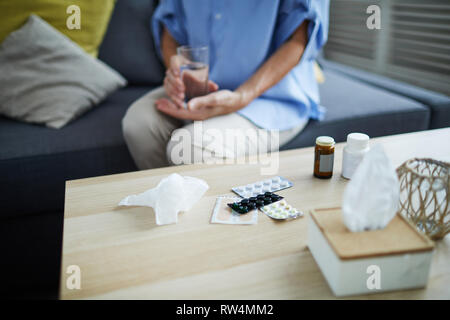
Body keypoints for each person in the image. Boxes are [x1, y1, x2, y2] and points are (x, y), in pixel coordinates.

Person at [122, 0, 329, 170]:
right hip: (202, 87)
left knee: (193, 146)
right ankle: (172, 208)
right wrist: (176, 70)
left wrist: (242, 96)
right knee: (139, 125)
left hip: (269, 96)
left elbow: (298, 39)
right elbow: (171, 26)